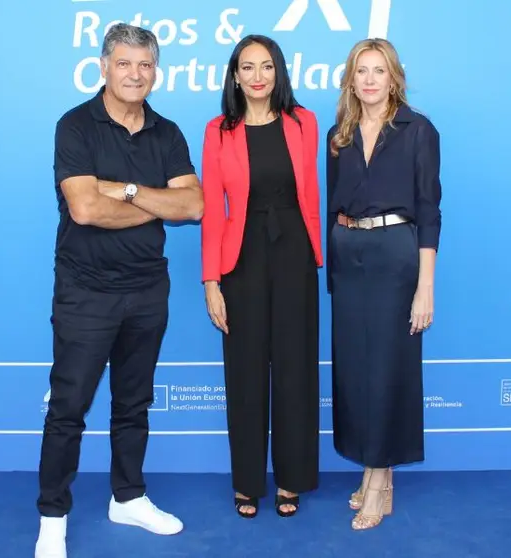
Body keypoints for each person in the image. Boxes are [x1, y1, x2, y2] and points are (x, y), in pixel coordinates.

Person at [34, 23, 204, 558]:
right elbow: (84, 209)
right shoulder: (76, 126)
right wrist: (153, 202)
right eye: (124, 63)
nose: (135, 74)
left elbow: (193, 207)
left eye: (145, 65)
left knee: (134, 403)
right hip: (85, 292)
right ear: (103, 66)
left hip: (148, 290)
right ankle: (52, 517)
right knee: (68, 408)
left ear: (156, 71)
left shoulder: (168, 133)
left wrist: (125, 191)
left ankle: (127, 497)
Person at [200, 34, 323, 519]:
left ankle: (292, 478)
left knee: (294, 369)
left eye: (266, 66)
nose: (257, 76)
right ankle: (248, 481)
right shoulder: (218, 130)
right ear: (235, 75)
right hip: (241, 257)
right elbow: (212, 210)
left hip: (294, 251)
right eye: (247, 67)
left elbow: (312, 193)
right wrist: (212, 281)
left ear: (279, 73)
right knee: (246, 372)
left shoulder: (303, 122)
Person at [325, 38, 442, 531]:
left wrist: (425, 287)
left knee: (387, 369)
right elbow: (332, 202)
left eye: (379, 71)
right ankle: (380, 476)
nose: (370, 80)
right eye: (361, 71)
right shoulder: (338, 135)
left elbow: (431, 212)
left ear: (394, 77)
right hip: (348, 254)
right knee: (355, 371)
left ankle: (377, 480)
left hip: (396, 256)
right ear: (351, 79)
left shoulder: (419, 131)